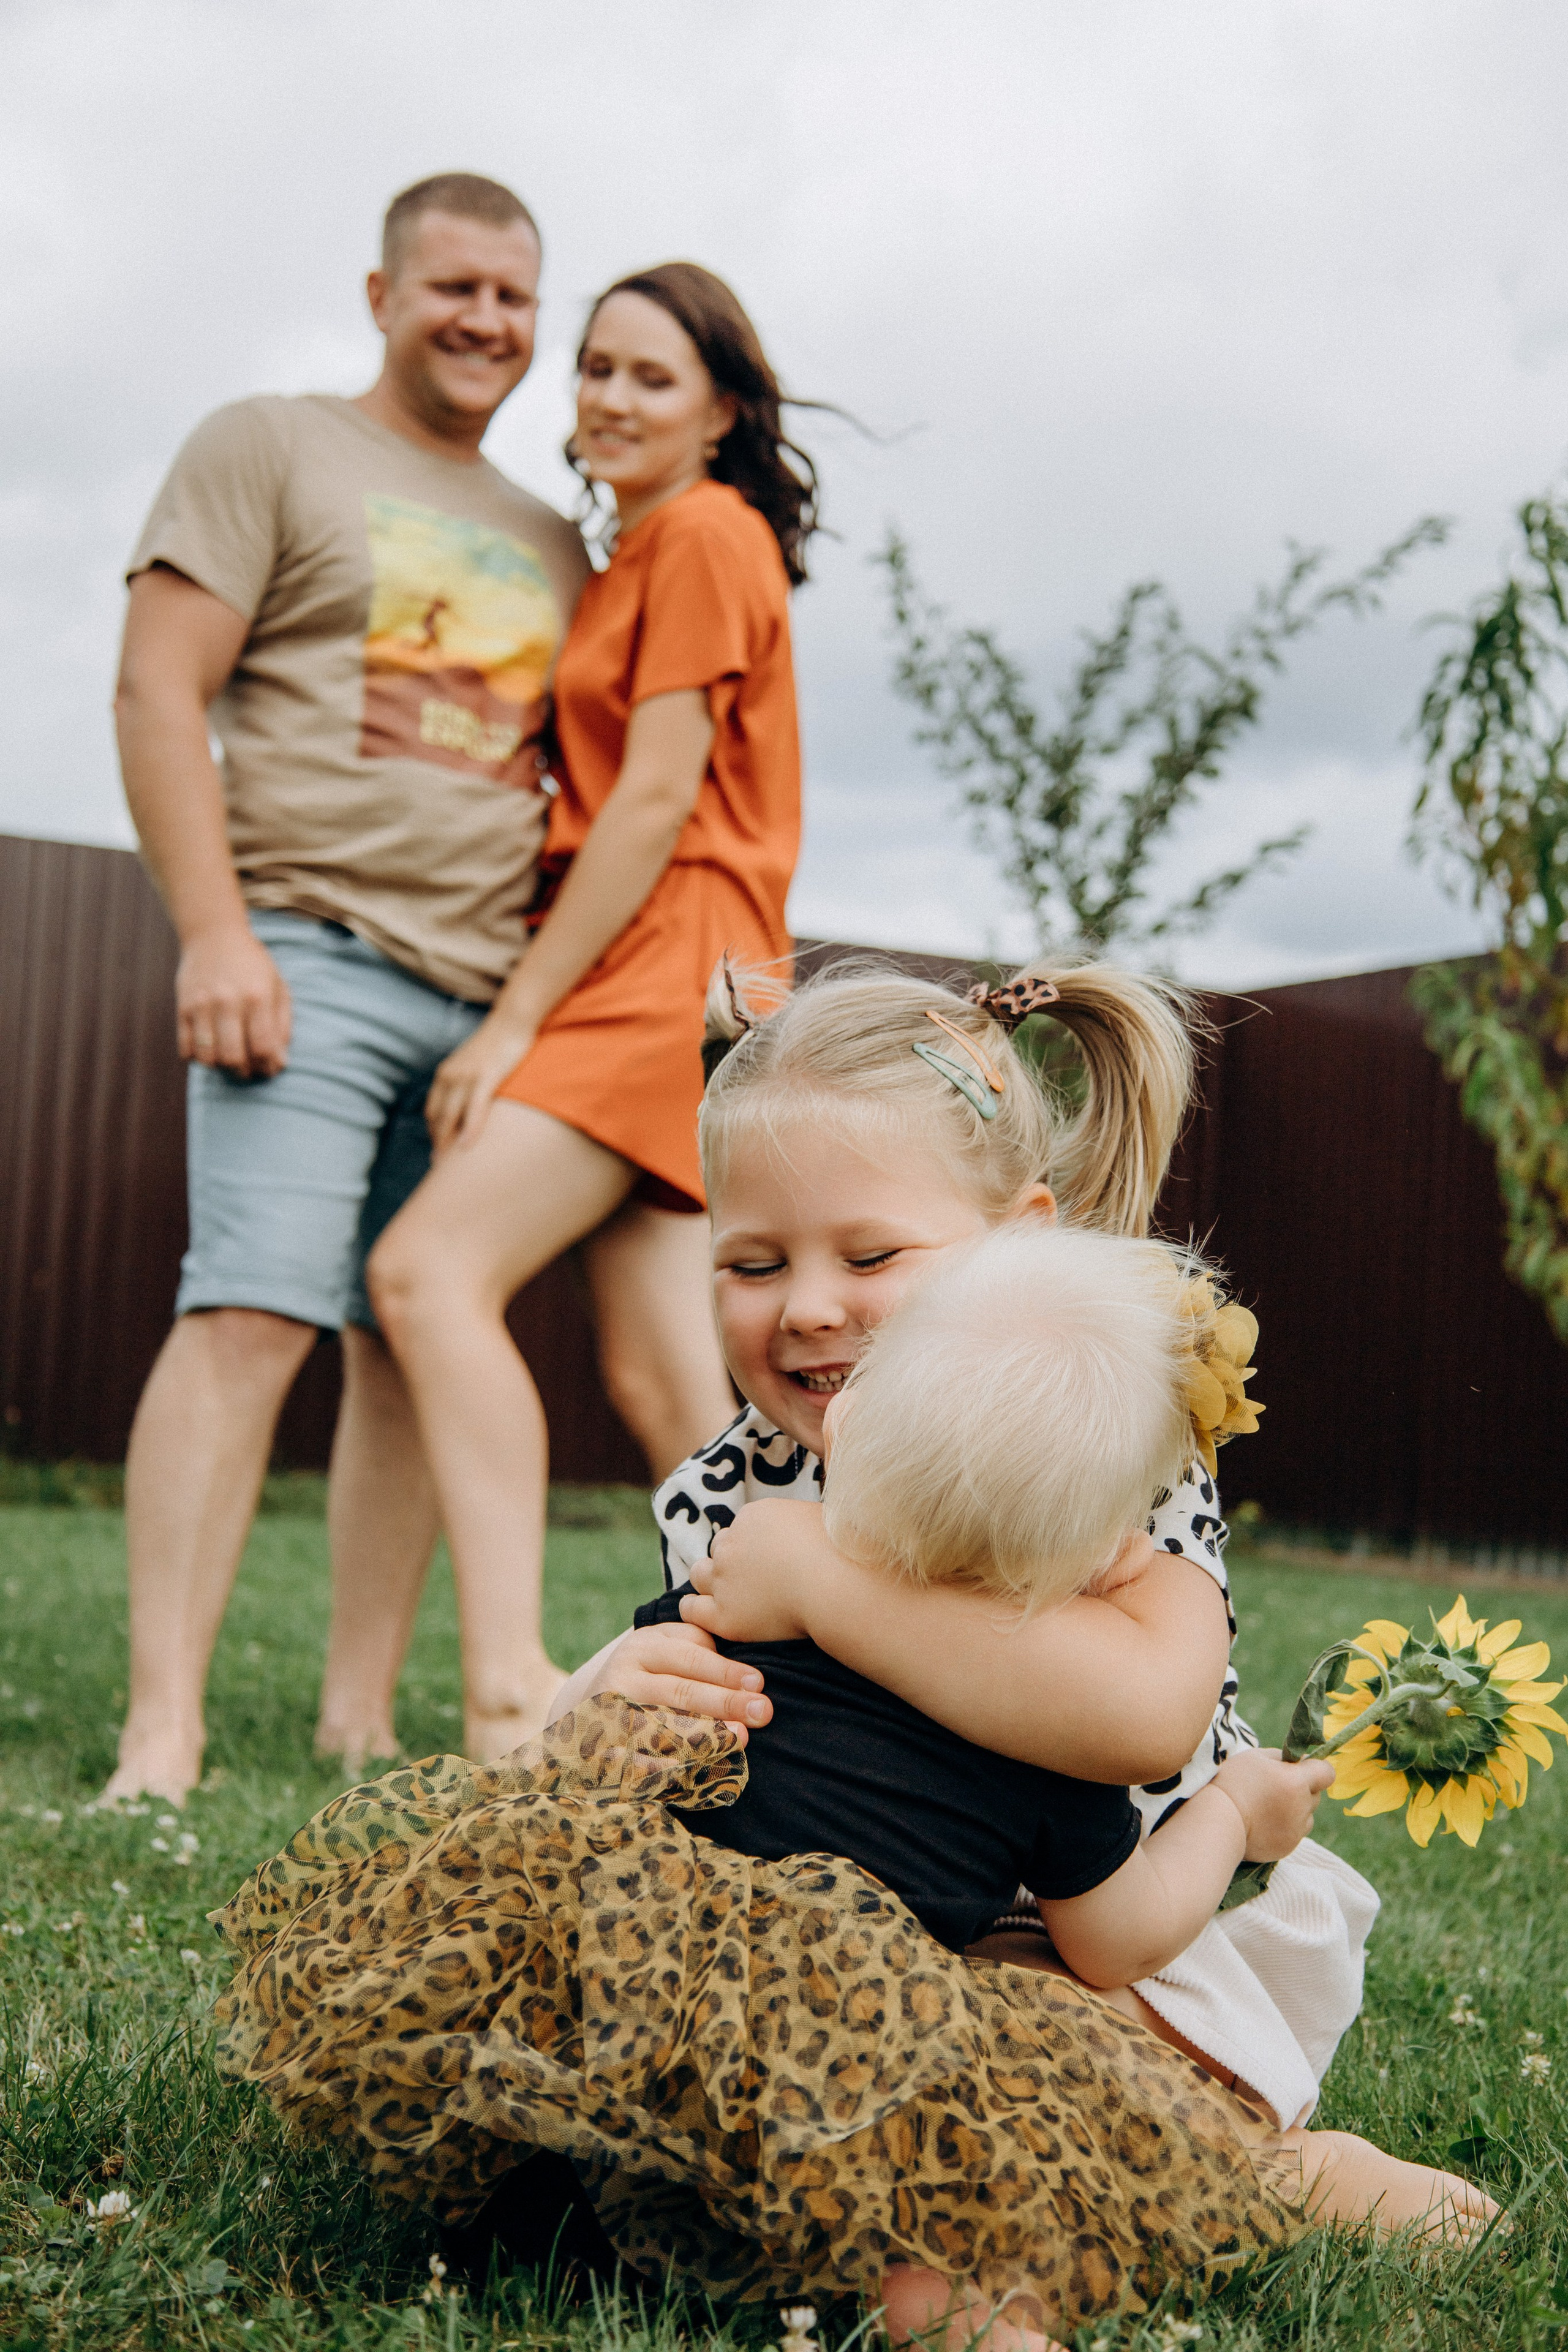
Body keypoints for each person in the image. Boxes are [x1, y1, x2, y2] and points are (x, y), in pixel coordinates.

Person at [208, 1134, 1490, 2351]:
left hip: (634, 1985)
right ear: (1103, 1550)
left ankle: (555, 2200)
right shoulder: (1047, 1744)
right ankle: (1083, 2268)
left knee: (575, 2166)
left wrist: (587, 1721)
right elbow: (1116, 1937)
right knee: (959, 2184)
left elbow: (604, 1753)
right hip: (867, 2041)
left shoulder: (749, 1587)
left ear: (857, 1449)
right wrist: (1236, 1816)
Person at [612, 955, 1383, 2139]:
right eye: (753, 1265)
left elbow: (1140, 1715)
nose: (807, 1307)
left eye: (870, 1257)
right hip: (835, 1928)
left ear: (1018, 1241)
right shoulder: (735, 1483)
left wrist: (819, 1582)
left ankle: (1285, 2176)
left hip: (1112, 1917)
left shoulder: (1118, 1459)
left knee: (1034, 2081)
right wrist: (609, 1692)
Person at [107, 173, 591, 1804]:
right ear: (382, 295)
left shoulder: (552, 538)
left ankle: (357, 1717)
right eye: (454, 287)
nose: (484, 321)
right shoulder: (269, 445)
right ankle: (161, 1732)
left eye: (513, 297)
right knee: (249, 1315)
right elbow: (157, 689)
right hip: (305, 953)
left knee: (408, 1340)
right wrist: (216, 934)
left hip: (485, 1003)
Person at [363, 263, 813, 1762]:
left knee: (426, 1270)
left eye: (649, 377)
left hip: (668, 952)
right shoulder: (638, 553)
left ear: (721, 409)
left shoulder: (702, 533)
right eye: (595, 369)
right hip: (695, 965)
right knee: (669, 1380)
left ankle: (508, 1681)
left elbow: (651, 804)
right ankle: (824, 1691)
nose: (609, 399)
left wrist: (511, 1022)